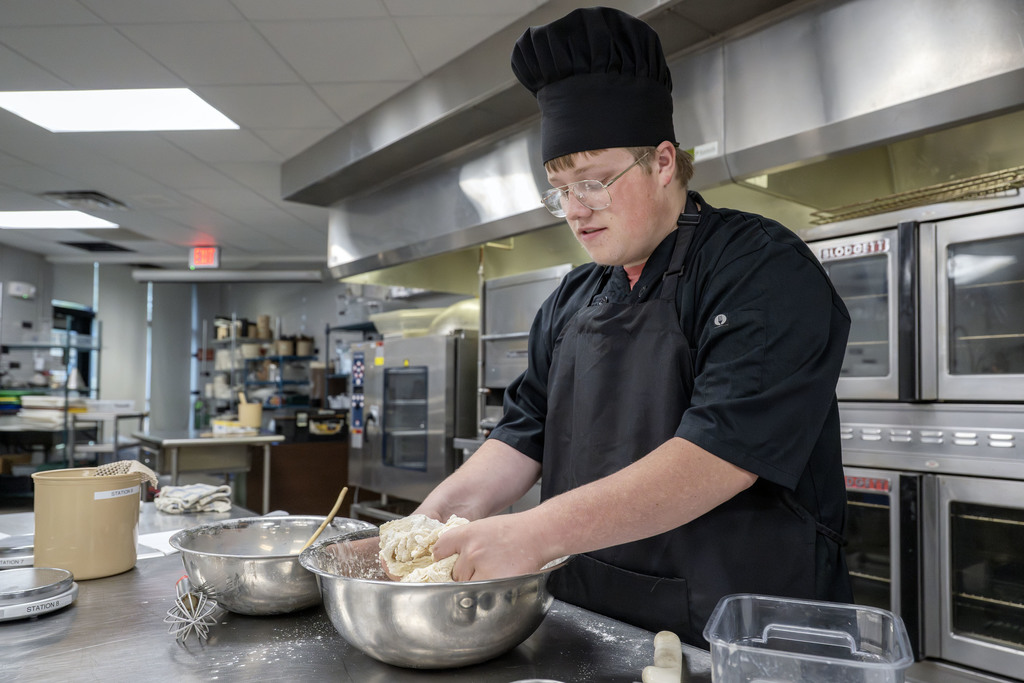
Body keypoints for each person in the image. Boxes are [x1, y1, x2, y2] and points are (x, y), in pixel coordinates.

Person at [417, 6, 853, 647]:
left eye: (594, 181)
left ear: (664, 162)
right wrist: (422, 528)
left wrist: (531, 533)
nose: (575, 209)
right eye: (559, 188)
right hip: (594, 623)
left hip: (736, 633)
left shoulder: (758, 268)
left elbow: (720, 455)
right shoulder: (573, 296)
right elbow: (522, 434)